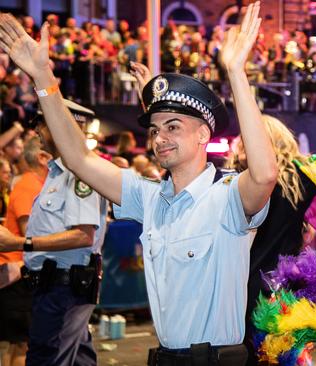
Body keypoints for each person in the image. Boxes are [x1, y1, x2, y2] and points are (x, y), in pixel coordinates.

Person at [0, 4, 277, 365]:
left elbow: (265, 175)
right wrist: (43, 79)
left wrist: (237, 73)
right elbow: (79, 159)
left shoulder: (226, 198)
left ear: (203, 135)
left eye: (173, 126)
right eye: (154, 129)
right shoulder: (150, 198)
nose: (160, 137)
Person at [0, 98, 108, 366]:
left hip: (62, 287)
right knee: (77, 360)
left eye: (42, 122)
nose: (36, 130)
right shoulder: (60, 172)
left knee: (46, 359)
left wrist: (18, 242)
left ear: (62, 126)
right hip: (59, 285)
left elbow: (83, 235)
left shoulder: (79, 172)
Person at [226, 115, 316, 366]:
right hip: (283, 289)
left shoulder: (236, 182)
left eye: (246, 142)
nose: (240, 147)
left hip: (245, 289)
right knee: (282, 357)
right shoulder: (303, 179)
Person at [0, 136, 50, 366]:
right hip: (18, 274)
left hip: (21, 272)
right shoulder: (28, 187)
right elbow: (29, 234)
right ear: (42, 158)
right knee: (23, 344)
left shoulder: (36, 186)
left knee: (18, 343)